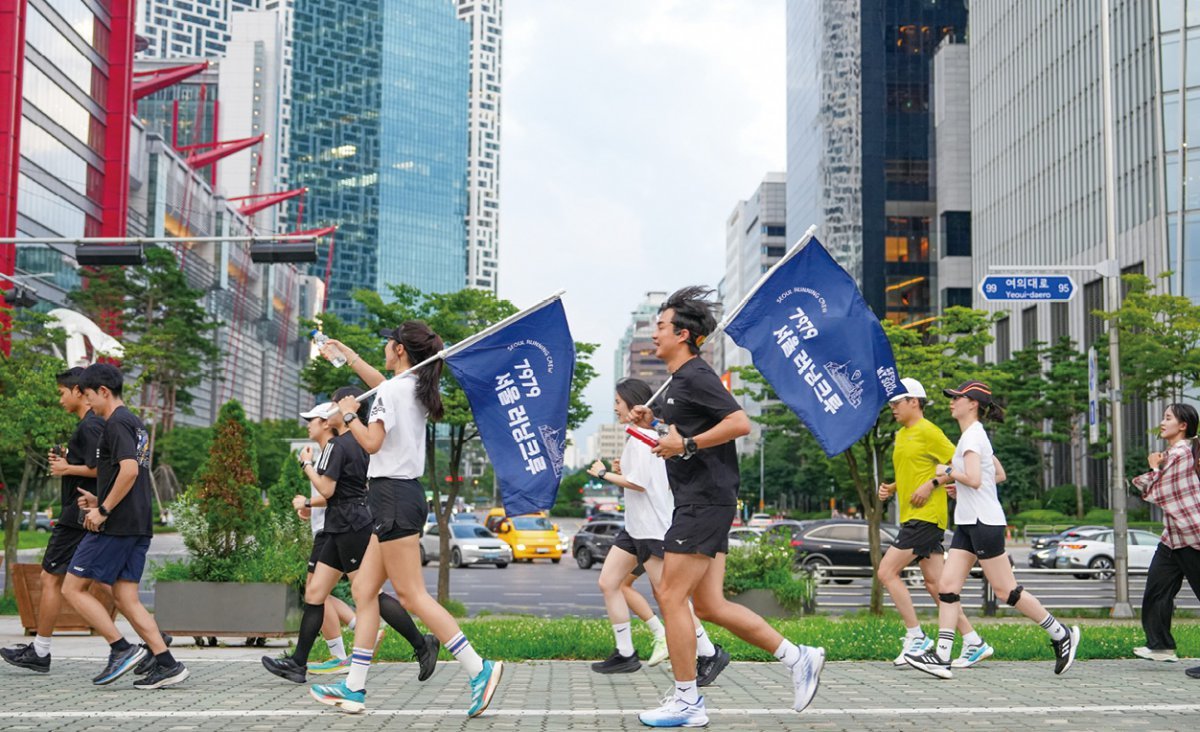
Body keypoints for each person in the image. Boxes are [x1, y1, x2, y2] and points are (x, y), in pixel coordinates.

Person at [631, 286, 824, 728]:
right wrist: (655, 423)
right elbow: (683, 431)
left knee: (669, 595)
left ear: (682, 334)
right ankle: (799, 658)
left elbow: (739, 423)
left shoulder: (698, 375)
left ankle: (687, 700)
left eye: (660, 326)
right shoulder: (679, 382)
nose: (653, 333)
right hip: (704, 500)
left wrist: (688, 442)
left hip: (704, 501)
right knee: (711, 605)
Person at [308, 324, 503, 717]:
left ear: (398, 349)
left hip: (392, 496)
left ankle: (478, 668)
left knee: (412, 594)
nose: (383, 345)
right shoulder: (410, 385)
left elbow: (371, 443)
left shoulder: (395, 391)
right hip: (396, 496)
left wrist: (348, 418)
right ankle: (355, 687)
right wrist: (349, 356)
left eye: (387, 341)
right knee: (363, 590)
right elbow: (382, 384)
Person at [905, 380, 1079, 679]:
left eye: (956, 398)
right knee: (947, 588)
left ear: (972, 403)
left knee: (1005, 591)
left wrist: (945, 475)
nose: (951, 402)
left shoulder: (973, 436)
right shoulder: (971, 437)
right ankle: (942, 657)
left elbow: (974, 478)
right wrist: (961, 485)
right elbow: (996, 474)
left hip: (985, 523)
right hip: (969, 522)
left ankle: (1060, 632)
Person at [262, 389, 437, 685]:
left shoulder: (337, 445)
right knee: (315, 593)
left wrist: (305, 466)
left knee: (369, 594)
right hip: (342, 523)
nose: (328, 412)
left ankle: (422, 645)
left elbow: (328, 490)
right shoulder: (361, 441)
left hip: (350, 524)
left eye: (333, 406)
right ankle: (298, 663)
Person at [586, 378, 727, 686]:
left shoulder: (643, 437)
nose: (614, 407)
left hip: (651, 530)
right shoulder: (642, 437)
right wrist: (622, 470)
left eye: (618, 402)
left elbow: (640, 483)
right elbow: (642, 477)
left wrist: (603, 474)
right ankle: (625, 653)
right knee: (609, 582)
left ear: (633, 404)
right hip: (634, 528)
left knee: (670, 598)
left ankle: (708, 651)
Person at [60, 363, 188, 689]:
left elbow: (129, 470)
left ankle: (121, 649)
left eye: (89, 397)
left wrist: (103, 508)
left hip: (116, 525)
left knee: (72, 588)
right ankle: (167, 664)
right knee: (125, 596)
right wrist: (99, 495)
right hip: (138, 522)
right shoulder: (133, 422)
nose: (88, 404)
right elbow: (124, 474)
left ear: (103, 392)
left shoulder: (116, 423)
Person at [876, 377, 993, 668]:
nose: (892, 407)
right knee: (937, 586)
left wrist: (933, 483)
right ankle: (973, 641)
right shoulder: (901, 435)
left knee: (886, 572)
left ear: (914, 401)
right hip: (912, 516)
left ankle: (916, 636)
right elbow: (911, 472)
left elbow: (959, 467)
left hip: (927, 517)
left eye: (897, 402)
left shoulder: (930, 432)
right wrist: (892, 487)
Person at [2, 368, 106, 673]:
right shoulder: (92, 426)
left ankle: (41, 651)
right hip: (84, 513)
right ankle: (151, 638)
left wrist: (66, 469)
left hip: (77, 515)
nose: (59, 399)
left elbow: (104, 468)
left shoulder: (90, 426)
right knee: (99, 578)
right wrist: (67, 461)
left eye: (61, 392)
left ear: (78, 391)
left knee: (51, 578)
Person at [1131, 403, 1200, 678]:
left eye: (1168, 418)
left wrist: (1152, 466)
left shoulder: (1182, 452)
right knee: (1157, 590)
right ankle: (1160, 646)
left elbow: (1160, 489)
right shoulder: (1175, 452)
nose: (1162, 422)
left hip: (1192, 534)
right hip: (1173, 537)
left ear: (1182, 425)